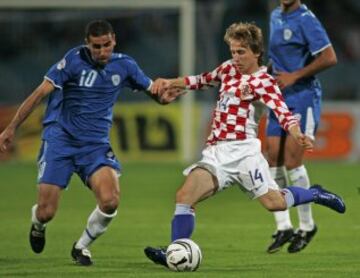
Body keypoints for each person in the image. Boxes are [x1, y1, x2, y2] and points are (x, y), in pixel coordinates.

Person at [143, 22, 345, 268]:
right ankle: (175, 251)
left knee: (275, 203)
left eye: (241, 52)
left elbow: (282, 112)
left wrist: (296, 133)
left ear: (256, 52)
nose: (235, 57)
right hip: (217, 153)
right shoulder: (228, 69)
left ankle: (315, 193)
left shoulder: (264, 82)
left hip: (245, 154)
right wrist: (170, 82)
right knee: (184, 196)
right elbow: (201, 80)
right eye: (232, 51)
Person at [0, 19, 168, 266]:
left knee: (110, 201)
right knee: (47, 212)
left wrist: (169, 93)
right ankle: (37, 223)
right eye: (97, 46)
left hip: (95, 146)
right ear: (87, 44)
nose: (102, 51)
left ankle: (81, 247)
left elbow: (155, 92)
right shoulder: (72, 60)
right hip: (60, 140)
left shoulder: (125, 65)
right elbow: (39, 94)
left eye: (107, 45)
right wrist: (11, 128)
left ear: (114, 40)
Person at [265, 0, 338, 254]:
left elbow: (329, 57)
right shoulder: (275, 15)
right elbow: (276, 59)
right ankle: (283, 225)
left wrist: (295, 76)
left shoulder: (306, 19)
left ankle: (306, 226)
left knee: (293, 160)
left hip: (303, 96)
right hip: (278, 95)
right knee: (272, 157)